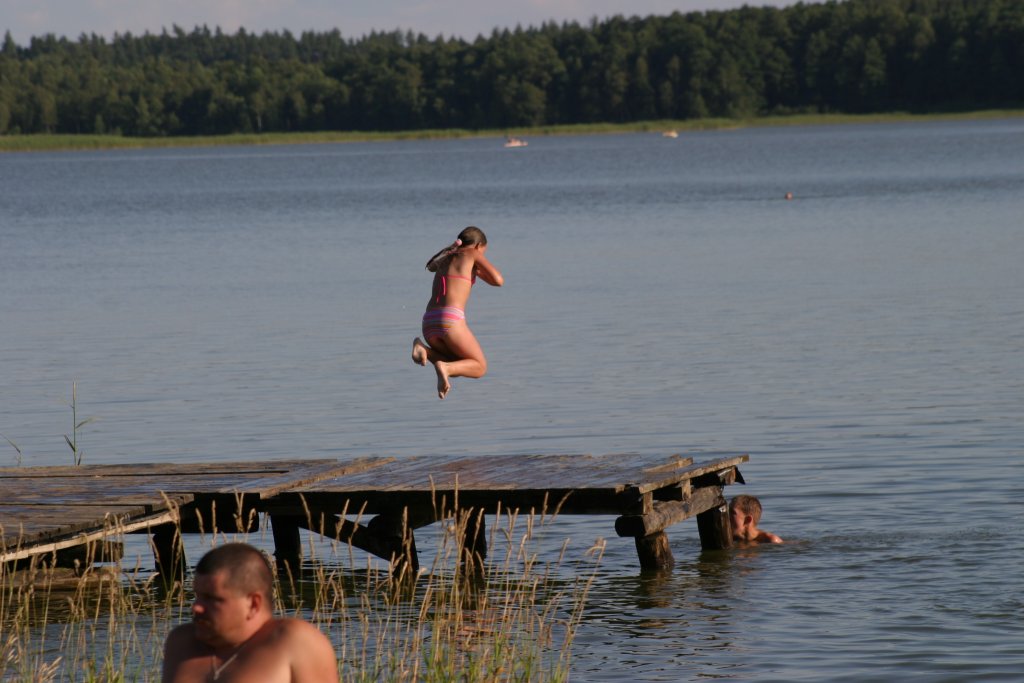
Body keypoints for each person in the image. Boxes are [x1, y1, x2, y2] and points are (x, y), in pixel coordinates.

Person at [162, 543, 339, 683]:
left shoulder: (294, 642)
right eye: (198, 596)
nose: (196, 607)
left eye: (212, 599)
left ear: (253, 604)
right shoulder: (181, 642)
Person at [412, 226, 504, 399]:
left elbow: (430, 267)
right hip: (450, 319)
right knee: (479, 367)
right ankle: (444, 368)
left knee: (461, 365)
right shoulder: (473, 253)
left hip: (429, 321)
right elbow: (498, 280)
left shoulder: (447, 256)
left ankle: (424, 349)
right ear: (478, 246)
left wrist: (454, 252)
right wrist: (477, 267)